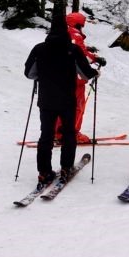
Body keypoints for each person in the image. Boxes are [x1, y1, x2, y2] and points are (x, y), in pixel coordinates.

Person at [24, 19, 99, 187]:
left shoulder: (39, 49)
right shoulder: (72, 49)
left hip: (46, 99)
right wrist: (95, 73)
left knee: (46, 135)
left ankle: (44, 172)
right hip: (67, 99)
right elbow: (86, 73)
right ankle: (66, 168)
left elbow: (29, 73)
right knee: (69, 133)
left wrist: (43, 77)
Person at [55, 12, 106, 144]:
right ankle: (72, 134)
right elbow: (83, 56)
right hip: (76, 78)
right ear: (79, 24)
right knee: (77, 107)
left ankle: (58, 132)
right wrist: (96, 59)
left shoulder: (61, 34)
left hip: (61, 77)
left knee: (61, 106)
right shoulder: (76, 36)